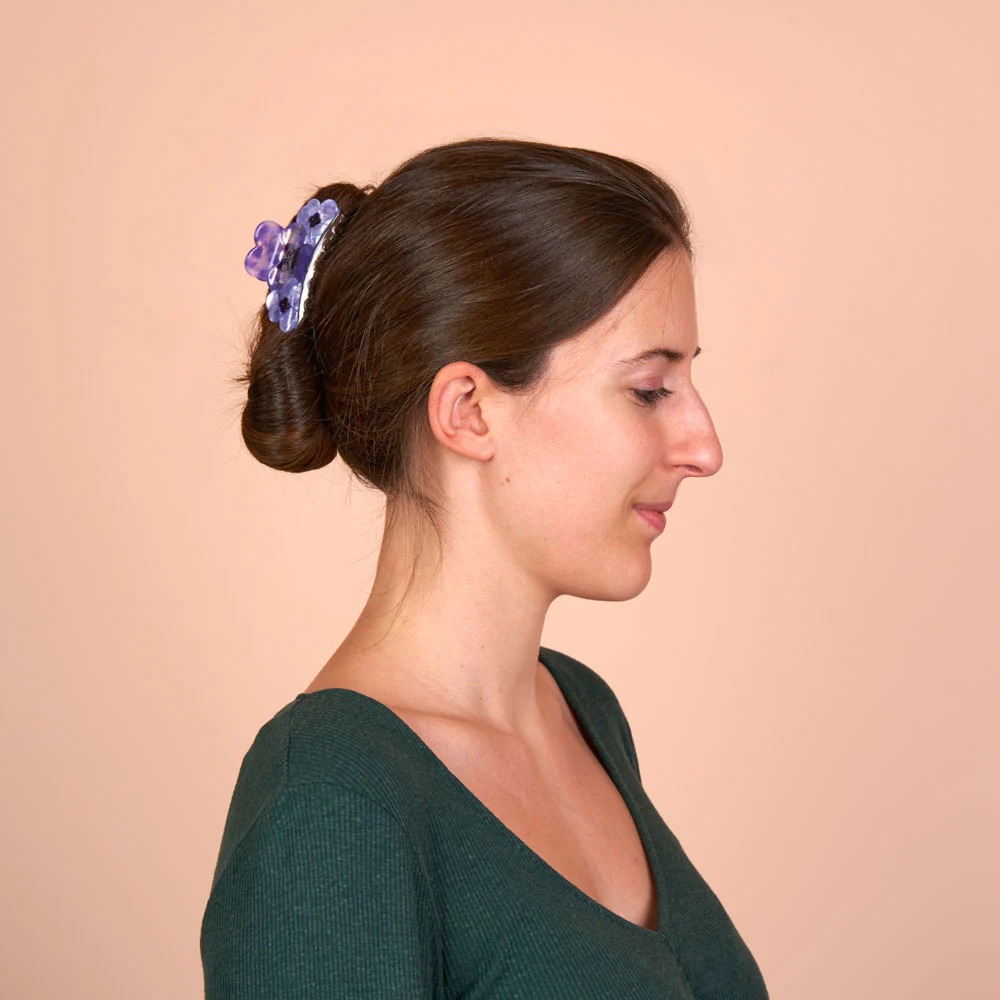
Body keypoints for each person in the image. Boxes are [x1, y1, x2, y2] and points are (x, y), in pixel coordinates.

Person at [200, 136, 770, 998]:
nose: (705, 446)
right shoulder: (328, 804)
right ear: (467, 410)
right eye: (650, 390)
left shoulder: (581, 710)